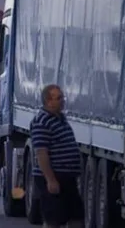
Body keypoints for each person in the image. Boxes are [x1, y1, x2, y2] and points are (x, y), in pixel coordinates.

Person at [30, 84, 84, 228]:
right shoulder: (41, 121)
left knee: (76, 216)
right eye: (59, 98)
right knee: (53, 219)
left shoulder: (59, 118)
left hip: (67, 177)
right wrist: (51, 180)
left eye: (62, 97)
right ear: (48, 101)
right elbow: (41, 153)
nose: (62, 101)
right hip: (54, 176)